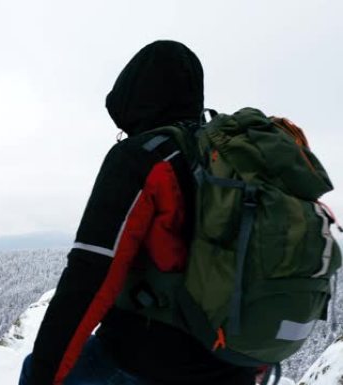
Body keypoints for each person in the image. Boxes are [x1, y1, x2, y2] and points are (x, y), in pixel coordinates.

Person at [18, 40, 258, 385]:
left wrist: (43, 375)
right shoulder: (228, 161)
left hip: (147, 361)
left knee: (36, 369)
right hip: (234, 366)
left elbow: (91, 274)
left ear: (134, 96)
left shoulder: (143, 156)